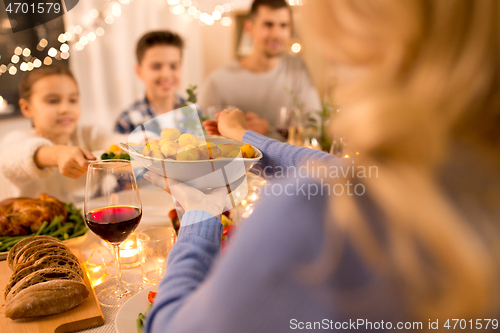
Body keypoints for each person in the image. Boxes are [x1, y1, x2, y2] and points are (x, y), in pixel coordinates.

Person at [145, 0, 500, 332]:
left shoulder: (313, 214)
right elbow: (345, 171)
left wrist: (201, 208)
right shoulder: (471, 175)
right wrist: (244, 136)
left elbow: (170, 327)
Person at [0, 65, 123, 203]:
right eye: (53, 101)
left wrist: (144, 142)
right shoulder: (18, 139)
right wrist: (57, 154)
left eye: (72, 100)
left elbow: (118, 143)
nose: (65, 109)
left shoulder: (89, 134)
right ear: (26, 108)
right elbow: (14, 157)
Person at [198, 0, 321, 137]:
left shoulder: (298, 70)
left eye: (283, 25)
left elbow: (315, 129)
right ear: (249, 28)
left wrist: (268, 130)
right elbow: (199, 139)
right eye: (268, 25)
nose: (276, 34)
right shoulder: (217, 82)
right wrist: (238, 133)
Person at [115, 30, 199, 136]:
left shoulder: (195, 113)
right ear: (139, 71)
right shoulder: (126, 122)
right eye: (156, 67)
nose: (166, 74)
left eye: (173, 66)